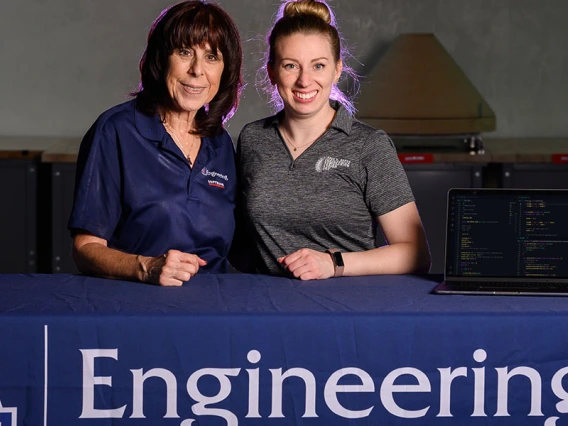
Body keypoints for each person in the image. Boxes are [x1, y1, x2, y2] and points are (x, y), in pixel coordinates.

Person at [232, 0, 431, 279]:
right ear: (272, 71)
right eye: (291, 65)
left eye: (318, 65)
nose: (304, 80)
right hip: (269, 307)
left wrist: (333, 264)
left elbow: (417, 254)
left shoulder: (368, 146)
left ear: (337, 70)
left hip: (347, 308)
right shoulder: (253, 139)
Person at [68, 1, 243, 286]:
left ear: (225, 70)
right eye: (185, 52)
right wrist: (146, 267)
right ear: (162, 58)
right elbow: (85, 249)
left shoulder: (220, 143)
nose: (197, 70)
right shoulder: (117, 131)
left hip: (214, 308)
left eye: (212, 57)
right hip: (137, 307)